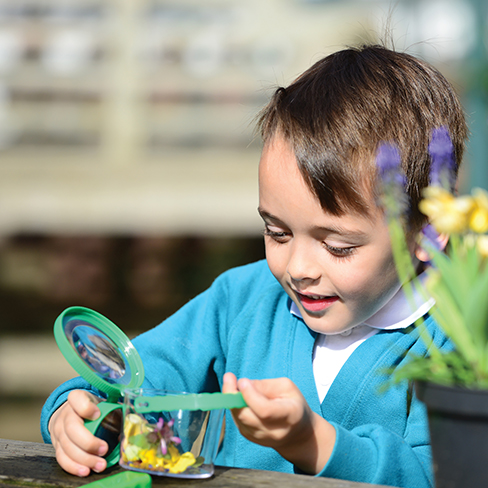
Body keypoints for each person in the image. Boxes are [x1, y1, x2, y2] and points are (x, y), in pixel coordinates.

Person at [41, 44, 467, 487]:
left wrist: (315, 444)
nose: (298, 267)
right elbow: (144, 383)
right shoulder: (242, 300)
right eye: (277, 233)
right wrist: (82, 416)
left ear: (427, 233)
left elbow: (441, 476)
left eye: (338, 246)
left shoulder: (456, 343)